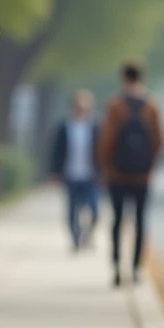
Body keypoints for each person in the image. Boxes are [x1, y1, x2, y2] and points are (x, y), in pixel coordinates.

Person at [98, 63, 164, 286]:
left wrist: (106, 167)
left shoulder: (115, 105)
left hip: (117, 174)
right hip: (142, 176)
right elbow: (160, 140)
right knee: (140, 220)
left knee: (117, 220)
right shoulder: (152, 106)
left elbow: (106, 139)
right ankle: (136, 268)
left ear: (123, 78)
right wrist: (150, 164)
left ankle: (117, 265)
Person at [48, 90, 102, 251]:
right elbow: (56, 151)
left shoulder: (96, 128)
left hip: (91, 175)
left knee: (94, 210)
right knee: (73, 210)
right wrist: (54, 172)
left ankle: (87, 235)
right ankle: (76, 239)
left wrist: (104, 172)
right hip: (70, 175)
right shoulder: (64, 127)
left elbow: (102, 151)